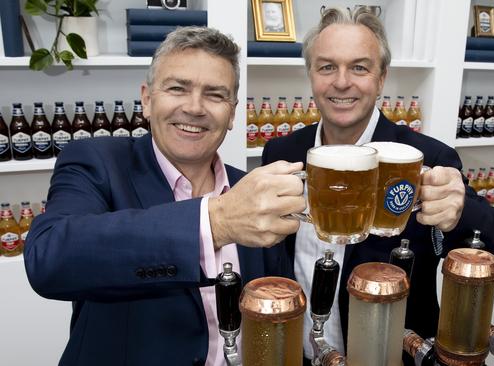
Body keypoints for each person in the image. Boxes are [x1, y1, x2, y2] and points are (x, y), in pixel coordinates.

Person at [24, 27, 304, 366]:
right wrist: (214, 222)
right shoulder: (96, 161)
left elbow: (277, 308)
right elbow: (49, 259)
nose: (195, 107)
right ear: (147, 98)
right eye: (177, 88)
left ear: (232, 113)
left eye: (215, 95)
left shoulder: (250, 191)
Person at [261, 7, 494, 364]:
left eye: (359, 67)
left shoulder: (426, 157)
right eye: (327, 67)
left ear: (381, 77)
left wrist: (460, 211)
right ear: (310, 74)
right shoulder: (282, 152)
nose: (342, 82)